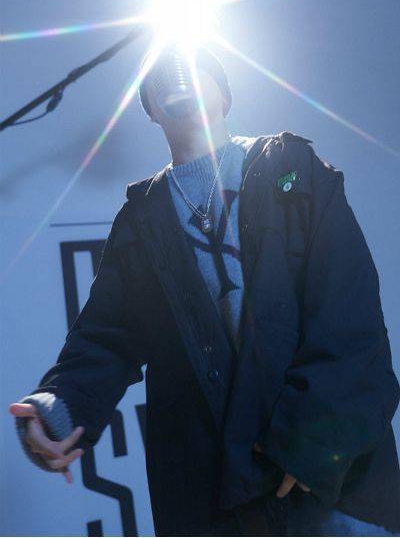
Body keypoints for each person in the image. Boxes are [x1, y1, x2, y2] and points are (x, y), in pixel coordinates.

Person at [9, 45, 400, 536]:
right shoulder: (140, 219)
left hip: (329, 489)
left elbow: (350, 313)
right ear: (151, 111)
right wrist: (56, 410)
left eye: (196, 67)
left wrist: (314, 445)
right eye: (163, 75)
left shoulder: (293, 167)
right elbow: (105, 338)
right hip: (213, 499)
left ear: (225, 95)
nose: (179, 75)